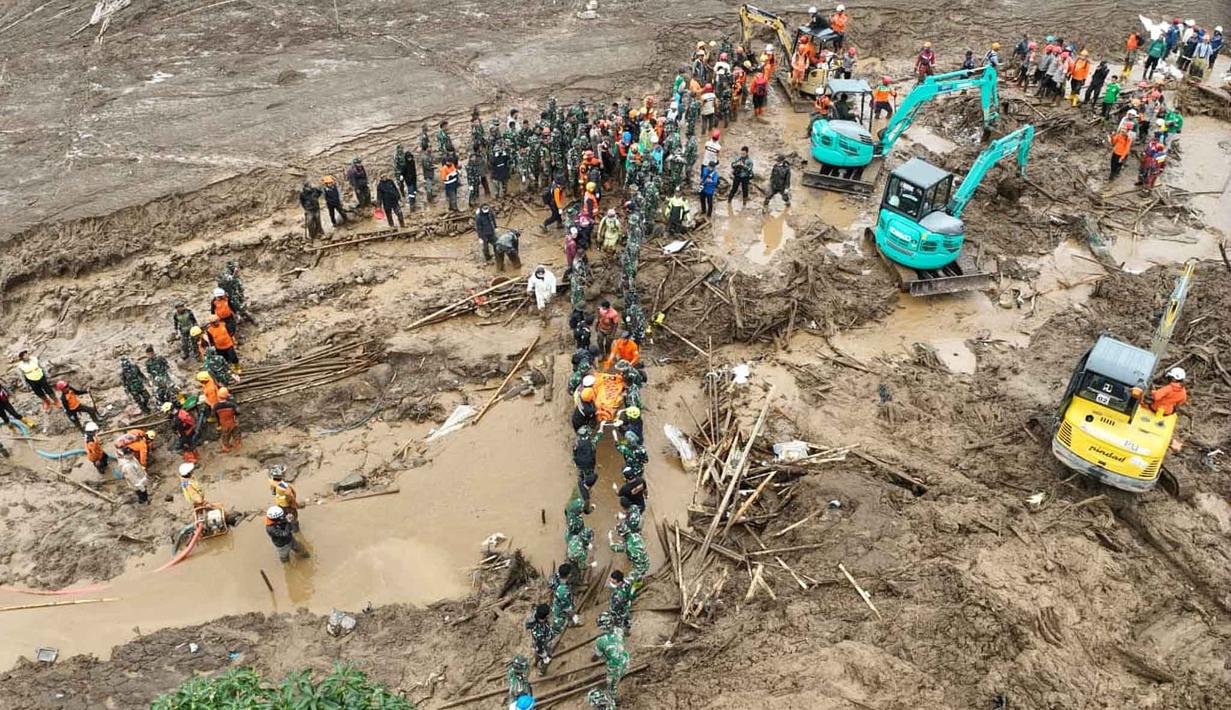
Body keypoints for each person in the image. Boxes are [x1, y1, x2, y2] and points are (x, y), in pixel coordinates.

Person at [594, 612, 629, 703]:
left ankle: (612, 698)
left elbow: (598, 655)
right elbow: (624, 637)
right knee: (622, 671)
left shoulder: (600, 641)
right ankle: (622, 675)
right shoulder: (619, 630)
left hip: (614, 665)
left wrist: (595, 658)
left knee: (611, 683)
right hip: (625, 659)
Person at [269, 466, 301, 530]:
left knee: (283, 516)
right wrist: (295, 504)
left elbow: (273, 492)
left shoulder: (272, 481)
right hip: (286, 504)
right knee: (293, 517)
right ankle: (295, 530)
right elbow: (291, 496)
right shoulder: (284, 487)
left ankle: (285, 526)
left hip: (279, 502)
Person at [574, 425, 598, 503]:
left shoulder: (577, 443)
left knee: (580, 477)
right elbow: (597, 439)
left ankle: (581, 487)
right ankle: (587, 489)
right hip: (589, 465)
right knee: (590, 478)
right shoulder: (591, 443)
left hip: (579, 465)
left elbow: (574, 453)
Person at [525, 603, 553, 670]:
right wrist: (545, 656)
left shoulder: (537, 613)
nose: (551, 612)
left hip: (539, 640)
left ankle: (536, 662)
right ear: (546, 617)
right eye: (549, 613)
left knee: (537, 653)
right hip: (540, 643)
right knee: (544, 658)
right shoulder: (539, 632)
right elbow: (539, 647)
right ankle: (541, 669)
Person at [214, 386, 241, 453]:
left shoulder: (216, 406)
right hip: (232, 422)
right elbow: (238, 412)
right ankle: (237, 444)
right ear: (227, 396)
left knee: (225, 436)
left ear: (218, 396)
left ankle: (226, 447)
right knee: (236, 433)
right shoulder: (232, 404)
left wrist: (218, 424)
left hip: (223, 423)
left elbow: (216, 415)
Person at [608, 569, 634, 634]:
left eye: (613, 580)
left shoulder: (619, 594)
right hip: (627, 605)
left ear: (618, 581)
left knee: (619, 621)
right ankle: (626, 629)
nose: (611, 581)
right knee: (626, 618)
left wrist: (612, 611)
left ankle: (620, 633)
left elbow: (615, 607)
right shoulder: (626, 583)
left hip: (621, 609)